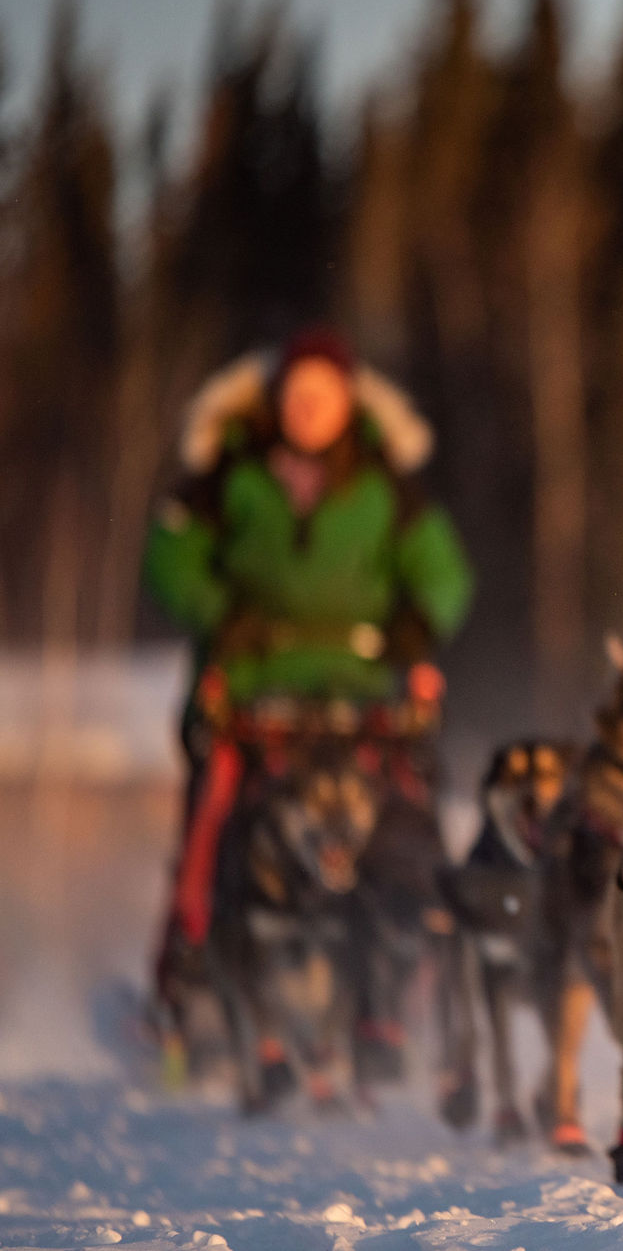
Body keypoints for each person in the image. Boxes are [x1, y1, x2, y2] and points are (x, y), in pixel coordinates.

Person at [144, 326, 474, 1074]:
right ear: (277, 400)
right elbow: (170, 557)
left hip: (363, 690)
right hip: (254, 684)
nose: (309, 409)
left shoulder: (386, 484)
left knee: (406, 815)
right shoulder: (230, 473)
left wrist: (418, 624)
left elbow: (444, 571)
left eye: (323, 396)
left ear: (348, 401)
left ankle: (404, 998)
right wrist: (222, 614)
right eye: (297, 396)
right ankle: (187, 978)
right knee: (217, 815)